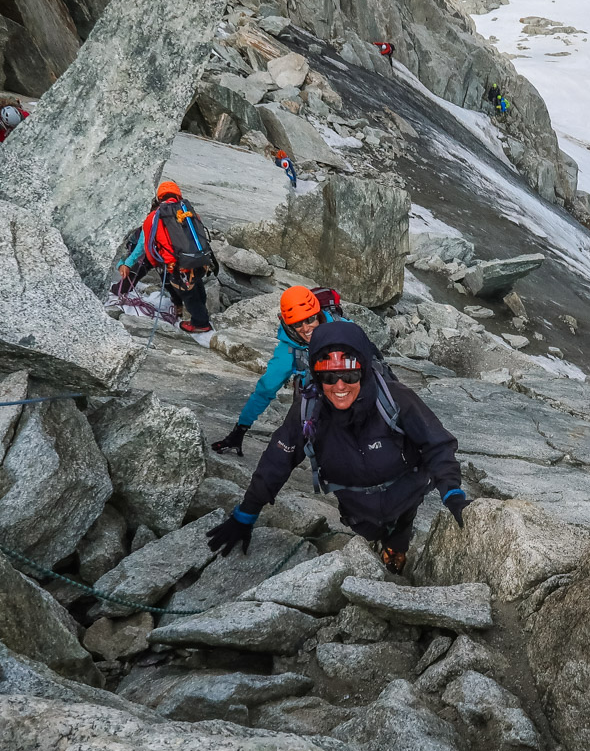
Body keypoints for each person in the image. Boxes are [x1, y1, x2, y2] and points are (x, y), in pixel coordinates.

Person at [206, 321, 470, 573]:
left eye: (349, 374)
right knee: (369, 531)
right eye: (329, 376)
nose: (339, 385)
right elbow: (277, 461)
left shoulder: (396, 399)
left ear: (364, 370)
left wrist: (452, 492)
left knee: (401, 527)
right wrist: (246, 513)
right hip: (357, 509)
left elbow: (437, 444)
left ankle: (395, 549)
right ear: (316, 376)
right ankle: (383, 544)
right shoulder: (308, 411)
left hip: (406, 494)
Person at [209, 284, 345, 457]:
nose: (306, 328)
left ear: (318, 314)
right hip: (312, 403)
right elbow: (265, 390)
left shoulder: (341, 327)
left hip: (349, 396)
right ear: (288, 324)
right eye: (297, 323)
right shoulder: (288, 352)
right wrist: (240, 430)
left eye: (310, 319)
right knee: (281, 454)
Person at [115, 180, 218, 334]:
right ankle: (195, 315)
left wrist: (157, 263)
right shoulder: (188, 211)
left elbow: (146, 245)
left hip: (176, 263)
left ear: (159, 197)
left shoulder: (154, 216)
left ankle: (200, 323)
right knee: (196, 285)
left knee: (186, 292)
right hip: (199, 258)